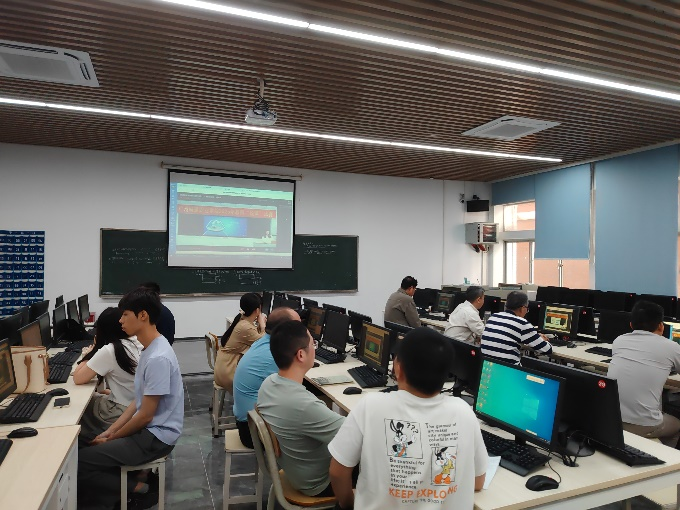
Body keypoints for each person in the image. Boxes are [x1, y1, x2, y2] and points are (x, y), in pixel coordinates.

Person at [328, 327, 487, 509]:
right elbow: (478, 481)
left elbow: (338, 472)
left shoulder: (370, 406)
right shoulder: (464, 412)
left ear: (398, 368)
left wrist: (348, 505)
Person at [77, 287, 184, 510]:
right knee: (88, 445)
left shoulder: (157, 357)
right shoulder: (149, 348)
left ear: (143, 315)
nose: (120, 321)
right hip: (148, 431)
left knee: (79, 462)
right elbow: (138, 401)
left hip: (156, 437)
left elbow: (145, 415)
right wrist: (109, 432)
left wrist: (111, 439)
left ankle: (140, 489)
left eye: (125, 314)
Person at [257, 320, 344, 496]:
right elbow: (354, 435)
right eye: (313, 343)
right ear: (301, 355)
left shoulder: (268, 383)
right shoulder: (303, 405)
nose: (314, 348)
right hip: (320, 482)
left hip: (297, 472)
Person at [607, 300, 680, 447]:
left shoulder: (619, 341)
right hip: (643, 424)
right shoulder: (671, 347)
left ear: (631, 325)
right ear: (661, 326)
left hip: (610, 418)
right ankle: (662, 457)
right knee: (677, 425)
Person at [233, 306, 300, 448]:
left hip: (248, 422)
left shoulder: (264, 342)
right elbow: (295, 389)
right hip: (254, 431)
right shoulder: (274, 354)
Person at [73, 307, 143, 444]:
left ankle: (84, 444)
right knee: (95, 396)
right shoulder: (136, 341)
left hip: (118, 412)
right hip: (135, 408)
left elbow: (78, 378)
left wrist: (93, 349)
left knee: (76, 406)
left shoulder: (110, 350)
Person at [481, 290, 552, 365]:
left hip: (488, 366)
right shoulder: (522, 323)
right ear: (522, 308)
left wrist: (534, 336)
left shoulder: (493, 317)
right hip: (509, 369)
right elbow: (547, 350)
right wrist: (542, 339)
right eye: (527, 309)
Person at [214, 293, 266, 394]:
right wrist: (263, 325)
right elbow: (262, 342)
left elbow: (255, 336)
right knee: (261, 383)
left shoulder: (242, 319)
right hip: (228, 372)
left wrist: (260, 325)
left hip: (224, 367)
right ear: (257, 310)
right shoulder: (245, 327)